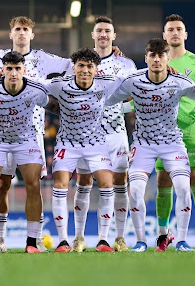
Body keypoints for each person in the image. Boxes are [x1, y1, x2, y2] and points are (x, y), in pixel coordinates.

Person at [0, 16, 72, 252]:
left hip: (32, 132)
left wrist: (56, 87)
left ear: (32, 34)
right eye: (17, 29)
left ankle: (36, 239)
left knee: (34, 186)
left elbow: (72, 66)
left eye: (26, 29)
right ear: (10, 34)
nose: (21, 33)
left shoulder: (43, 58)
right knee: (2, 185)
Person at [106, 38, 195, 252]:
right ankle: (141, 241)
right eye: (153, 55)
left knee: (184, 188)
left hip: (173, 144)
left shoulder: (180, 82)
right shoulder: (133, 81)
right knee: (136, 190)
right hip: (143, 145)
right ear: (146, 58)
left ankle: (182, 242)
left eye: (161, 55)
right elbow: (109, 100)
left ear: (168, 58)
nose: (157, 59)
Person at [44, 48, 120, 253]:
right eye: (81, 65)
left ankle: (103, 240)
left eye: (89, 66)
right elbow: (34, 84)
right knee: (60, 185)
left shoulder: (107, 83)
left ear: (96, 69)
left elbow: (134, 81)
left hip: (95, 143)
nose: (85, 70)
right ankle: (62, 241)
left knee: (106, 184)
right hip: (67, 143)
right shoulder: (60, 85)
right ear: (74, 67)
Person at [71, 16, 136, 252]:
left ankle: (113, 238)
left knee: (119, 183)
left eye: (108, 31)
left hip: (116, 133)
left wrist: (120, 108)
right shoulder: (81, 62)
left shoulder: (126, 64)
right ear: (93, 34)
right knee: (84, 181)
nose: (103, 35)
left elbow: (134, 98)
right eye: (99, 31)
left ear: (114, 35)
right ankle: (78, 237)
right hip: (87, 135)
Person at [0, 51, 50, 253]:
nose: (13, 73)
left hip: (25, 139)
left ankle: (32, 243)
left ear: (24, 70)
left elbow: (53, 105)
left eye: (17, 68)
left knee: (34, 185)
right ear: (3, 70)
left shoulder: (36, 90)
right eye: (9, 68)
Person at [154, 14, 195, 251]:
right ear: (164, 35)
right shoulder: (157, 62)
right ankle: (163, 234)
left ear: (185, 34)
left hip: (190, 129)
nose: (175, 32)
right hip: (162, 131)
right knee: (163, 179)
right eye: (171, 29)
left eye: (179, 29)